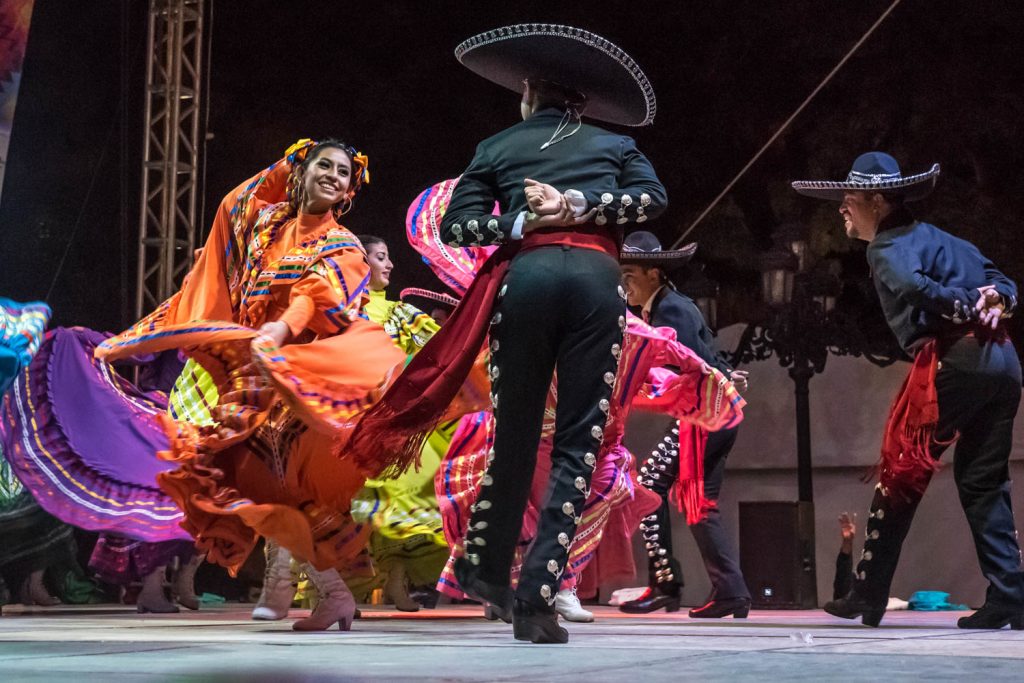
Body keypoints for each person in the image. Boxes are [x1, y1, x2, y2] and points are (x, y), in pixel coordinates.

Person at [96, 138, 405, 632]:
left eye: (343, 173)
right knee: (260, 489)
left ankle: (309, 592)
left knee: (269, 485)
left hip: (300, 380)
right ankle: (332, 597)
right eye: (321, 166)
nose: (332, 176)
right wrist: (135, 338)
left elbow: (318, 294)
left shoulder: (343, 246)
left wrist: (280, 330)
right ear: (297, 174)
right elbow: (227, 216)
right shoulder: (264, 227)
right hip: (250, 381)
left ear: (350, 191)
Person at [792, 151, 1024, 629]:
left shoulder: (886, 246)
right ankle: (1010, 595)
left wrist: (964, 307)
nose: (841, 209)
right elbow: (1003, 280)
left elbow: (915, 288)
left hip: (956, 359)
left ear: (877, 201)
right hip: (1003, 363)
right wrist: (996, 299)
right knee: (983, 482)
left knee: (901, 468)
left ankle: (868, 591)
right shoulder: (945, 240)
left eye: (849, 199)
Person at [617, 232, 752, 618]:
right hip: (709, 414)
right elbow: (701, 356)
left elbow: (686, 361)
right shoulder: (667, 307)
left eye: (629, 274)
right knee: (698, 505)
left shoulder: (670, 310)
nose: (623, 284)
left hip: (703, 416)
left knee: (649, 488)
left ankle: (666, 585)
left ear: (654, 273)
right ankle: (729, 590)